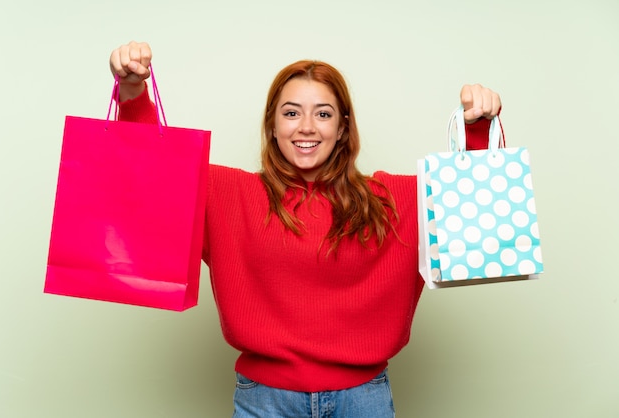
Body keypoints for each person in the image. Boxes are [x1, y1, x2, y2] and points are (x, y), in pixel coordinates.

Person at [109, 41, 502, 417]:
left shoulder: (394, 199)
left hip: (364, 401)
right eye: (292, 113)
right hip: (265, 402)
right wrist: (132, 91)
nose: (307, 127)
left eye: (324, 113)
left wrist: (479, 130)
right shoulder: (227, 194)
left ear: (343, 127)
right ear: (273, 125)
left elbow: (474, 212)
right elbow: (150, 173)